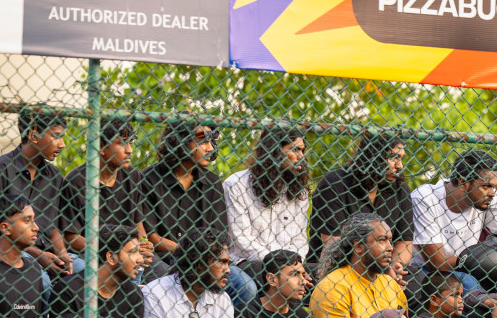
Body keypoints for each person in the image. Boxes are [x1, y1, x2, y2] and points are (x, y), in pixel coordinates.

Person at [308, 213, 408, 318]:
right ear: (359, 246)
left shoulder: (391, 286)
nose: (390, 247)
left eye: (390, 240)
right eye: (382, 240)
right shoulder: (333, 287)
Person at [0, 107, 76, 278]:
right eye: (56, 136)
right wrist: (37, 254)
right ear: (34, 136)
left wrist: (62, 252)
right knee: (43, 281)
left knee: (85, 273)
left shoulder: (54, 176)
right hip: (13, 252)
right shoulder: (1, 170)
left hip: (48, 250)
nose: (62, 144)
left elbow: (53, 225)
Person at [224, 127, 311, 303]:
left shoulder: (299, 191)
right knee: (249, 284)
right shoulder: (237, 185)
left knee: (325, 279)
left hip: (291, 264)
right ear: (275, 151)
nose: (301, 156)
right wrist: (280, 265)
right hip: (248, 261)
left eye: (302, 150)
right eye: (295, 150)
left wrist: (294, 267)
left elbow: (300, 240)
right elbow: (241, 241)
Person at [413, 149, 497, 281]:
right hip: (426, 271)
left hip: (468, 269)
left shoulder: (489, 196)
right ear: (463, 183)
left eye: (494, 186)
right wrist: (480, 262)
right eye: (486, 186)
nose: (493, 193)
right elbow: (437, 262)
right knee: (472, 283)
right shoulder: (425, 198)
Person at [309, 132, 413, 267]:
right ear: (373, 156)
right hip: (337, 267)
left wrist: (394, 266)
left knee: (422, 282)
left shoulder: (400, 189)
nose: (400, 166)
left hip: (385, 266)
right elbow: (333, 244)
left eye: (401, 158)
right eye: (394, 157)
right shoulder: (335, 183)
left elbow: (404, 242)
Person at [141, 231, 236, 318]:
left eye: (228, 263)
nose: (228, 270)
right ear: (199, 263)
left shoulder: (223, 300)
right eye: (222, 262)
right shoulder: (155, 294)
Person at [143, 118, 227, 272]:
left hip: (206, 263)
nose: (210, 148)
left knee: (244, 285)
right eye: (203, 142)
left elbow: (219, 236)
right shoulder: (149, 179)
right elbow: (150, 236)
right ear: (181, 142)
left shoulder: (213, 183)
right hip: (161, 259)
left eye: (212, 142)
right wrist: (189, 252)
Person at [62, 120, 145, 264]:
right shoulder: (76, 181)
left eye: (130, 143)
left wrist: (143, 243)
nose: (129, 150)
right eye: (122, 143)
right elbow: (71, 238)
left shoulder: (133, 176)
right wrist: (112, 252)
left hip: (127, 254)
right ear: (101, 147)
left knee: (162, 270)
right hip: (88, 254)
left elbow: (138, 223)